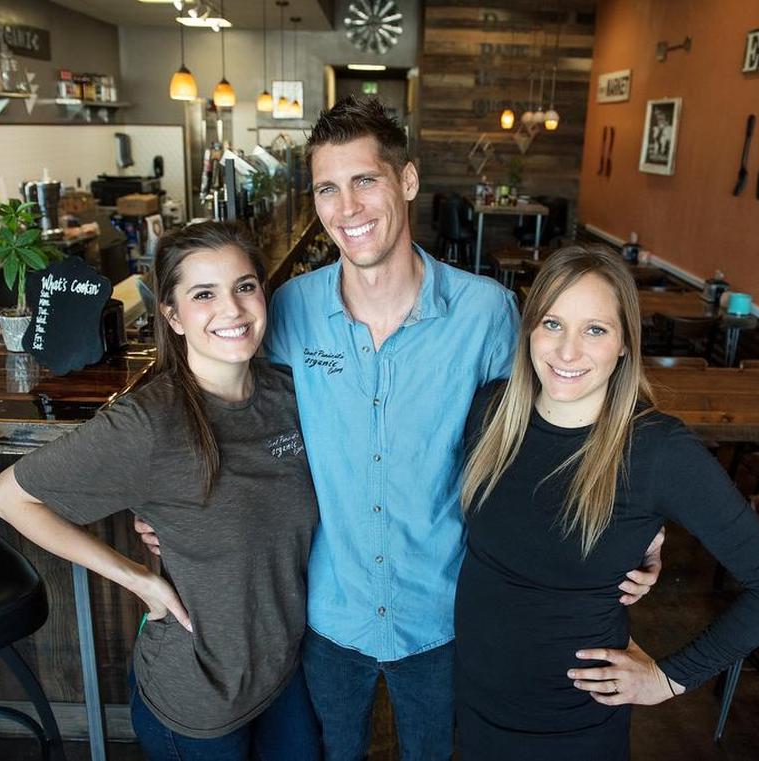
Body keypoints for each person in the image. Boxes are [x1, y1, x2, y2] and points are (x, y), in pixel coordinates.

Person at [137, 96, 664, 760]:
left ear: (406, 182)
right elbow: (230, 405)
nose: (346, 207)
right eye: (328, 188)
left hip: (444, 615)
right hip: (328, 614)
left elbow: (560, 424)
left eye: (364, 181)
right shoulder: (291, 308)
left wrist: (643, 522)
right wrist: (171, 500)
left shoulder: (486, 311)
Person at [455, 245, 759, 759]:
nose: (567, 351)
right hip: (475, 708)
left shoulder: (657, 450)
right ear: (529, 329)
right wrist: (642, 542)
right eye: (552, 324)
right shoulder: (491, 411)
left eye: (594, 329)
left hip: (570, 730)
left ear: (623, 344)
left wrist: (669, 679)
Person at [0, 222, 321, 761]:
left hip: (283, 671)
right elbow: (9, 497)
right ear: (171, 314)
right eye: (204, 294)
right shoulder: (150, 422)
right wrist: (137, 578)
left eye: (245, 286)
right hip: (199, 697)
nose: (232, 310)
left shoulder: (289, 393)